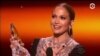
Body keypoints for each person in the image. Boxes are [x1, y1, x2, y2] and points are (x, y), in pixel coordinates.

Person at [10, 3, 85, 56]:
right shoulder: (37, 43)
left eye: (62, 18)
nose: (56, 21)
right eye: (54, 16)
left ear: (71, 23)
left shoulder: (76, 50)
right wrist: (18, 50)